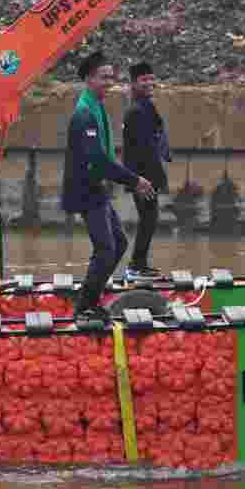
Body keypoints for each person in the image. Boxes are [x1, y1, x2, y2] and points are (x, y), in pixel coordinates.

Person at [61, 51, 154, 318]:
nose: (109, 82)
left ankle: (92, 291)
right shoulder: (84, 115)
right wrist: (134, 180)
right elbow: (99, 159)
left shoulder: (96, 106)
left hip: (95, 186)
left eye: (112, 76)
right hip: (85, 189)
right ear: (89, 79)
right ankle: (85, 307)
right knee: (105, 250)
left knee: (119, 243)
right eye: (103, 77)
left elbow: (101, 160)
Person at [122, 62, 170, 277]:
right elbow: (136, 150)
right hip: (142, 177)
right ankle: (135, 266)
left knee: (149, 219)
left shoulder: (144, 106)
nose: (150, 83)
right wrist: (138, 181)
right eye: (144, 80)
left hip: (146, 175)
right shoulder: (136, 111)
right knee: (149, 219)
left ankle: (138, 264)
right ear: (133, 83)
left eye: (151, 78)